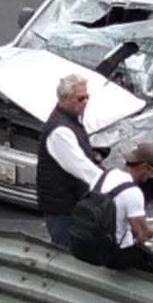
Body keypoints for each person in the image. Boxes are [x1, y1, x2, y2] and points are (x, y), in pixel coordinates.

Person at [36, 74, 102, 248]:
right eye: (81, 98)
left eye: (87, 97)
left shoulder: (71, 122)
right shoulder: (60, 131)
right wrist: (108, 182)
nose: (85, 102)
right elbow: (80, 166)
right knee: (65, 256)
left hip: (71, 206)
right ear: (65, 99)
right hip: (63, 210)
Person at [101, 143, 153, 277]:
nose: (152, 176)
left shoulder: (108, 175)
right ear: (145, 167)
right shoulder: (132, 193)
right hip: (117, 252)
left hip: (96, 243)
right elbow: (144, 235)